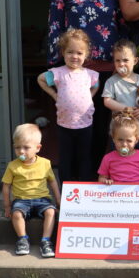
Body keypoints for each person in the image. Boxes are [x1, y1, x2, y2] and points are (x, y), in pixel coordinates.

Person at [47, 0, 123, 170]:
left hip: (106, 69)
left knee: (100, 126)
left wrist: (126, 61)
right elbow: (54, 28)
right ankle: (76, 181)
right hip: (76, 71)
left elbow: (121, 24)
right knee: (75, 127)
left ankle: (97, 176)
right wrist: (55, 66)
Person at [38, 28, 99, 183]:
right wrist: (54, 95)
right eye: (70, 52)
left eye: (79, 53)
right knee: (66, 157)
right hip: (65, 125)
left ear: (86, 55)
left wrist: (89, 97)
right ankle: (66, 187)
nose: (75, 56)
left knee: (84, 157)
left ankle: (84, 185)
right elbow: (40, 79)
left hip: (85, 124)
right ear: (63, 52)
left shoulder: (89, 74)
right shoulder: (58, 73)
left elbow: (96, 85)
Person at [2, 123, 61, 258]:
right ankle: (23, 239)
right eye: (17, 147)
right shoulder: (12, 166)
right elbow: (6, 186)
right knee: (16, 214)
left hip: (42, 199)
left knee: (50, 212)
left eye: (26, 148)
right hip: (21, 200)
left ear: (37, 148)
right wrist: (7, 205)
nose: (21, 151)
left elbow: (52, 181)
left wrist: (58, 200)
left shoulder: (45, 163)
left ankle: (46, 241)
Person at [102, 39, 139, 153]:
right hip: (118, 133)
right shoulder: (112, 81)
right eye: (117, 60)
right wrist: (124, 109)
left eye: (125, 60)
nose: (121, 64)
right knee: (118, 159)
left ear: (135, 61)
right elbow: (107, 101)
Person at [98, 111, 139, 187]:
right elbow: (102, 178)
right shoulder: (107, 158)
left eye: (129, 140)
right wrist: (106, 181)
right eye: (120, 140)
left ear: (136, 140)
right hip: (115, 196)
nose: (124, 144)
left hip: (137, 196)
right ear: (113, 139)